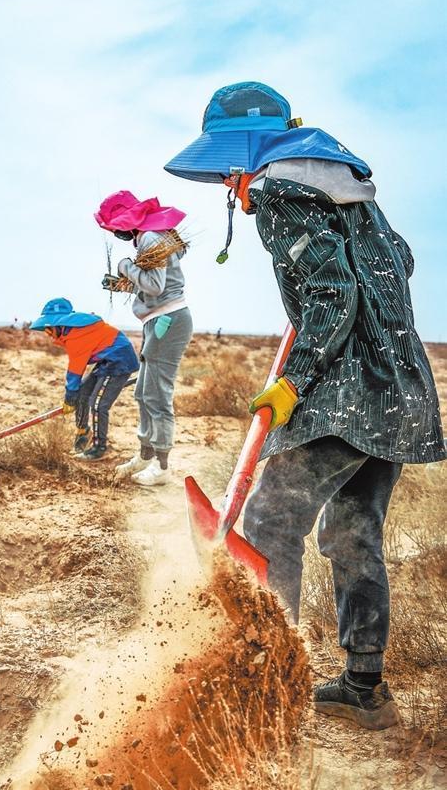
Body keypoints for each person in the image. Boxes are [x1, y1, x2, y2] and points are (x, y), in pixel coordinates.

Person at [165, 81, 445, 729]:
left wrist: (295, 380)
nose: (232, 187)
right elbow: (398, 259)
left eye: (230, 172)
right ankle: (364, 687)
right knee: (353, 528)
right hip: (400, 388)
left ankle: (267, 686)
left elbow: (331, 295)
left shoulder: (281, 193)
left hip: (348, 391)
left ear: (246, 155)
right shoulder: (346, 186)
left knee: (269, 521)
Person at [94, 191, 193, 486]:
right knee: (143, 392)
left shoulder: (150, 238)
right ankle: (145, 455)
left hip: (168, 321)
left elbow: (155, 285)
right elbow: (153, 286)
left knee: (156, 394)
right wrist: (123, 284)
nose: (115, 233)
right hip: (159, 320)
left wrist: (125, 266)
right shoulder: (152, 235)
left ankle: (161, 466)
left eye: (114, 227)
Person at [30, 298, 139, 460]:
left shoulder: (76, 335)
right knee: (82, 392)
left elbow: (75, 369)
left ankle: (99, 448)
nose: (48, 334)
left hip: (119, 361)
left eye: (49, 329)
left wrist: (69, 396)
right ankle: (83, 432)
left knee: (98, 405)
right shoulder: (74, 329)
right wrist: (74, 394)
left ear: (59, 324)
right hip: (106, 361)